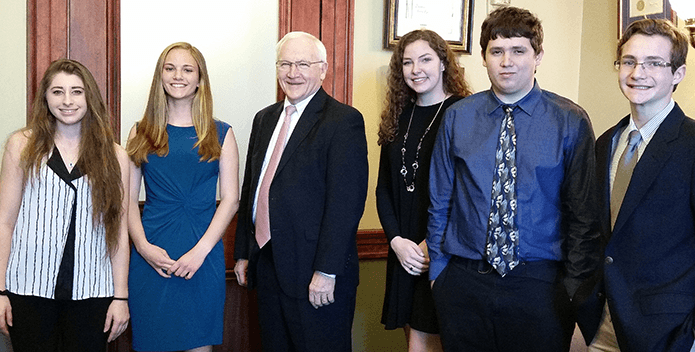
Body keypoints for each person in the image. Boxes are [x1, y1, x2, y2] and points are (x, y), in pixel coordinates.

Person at [426, 6, 600, 352]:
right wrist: (439, 273)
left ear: (538, 56)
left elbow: (584, 216)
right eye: (496, 51)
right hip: (463, 282)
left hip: (540, 286)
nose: (507, 61)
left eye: (518, 50)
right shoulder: (458, 117)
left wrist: (571, 288)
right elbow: (440, 199)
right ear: (483, 57)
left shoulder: (570, 121)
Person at [233, 31, 368, 352]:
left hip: (315, 275)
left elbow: (346, 204)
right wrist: (243, 252)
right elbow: (252, 186)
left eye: (303, 64)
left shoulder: (343, 121)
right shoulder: (264, 119)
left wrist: (326, 271)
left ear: (322, 69)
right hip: (266, 267)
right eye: (285, 64)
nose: (293, 73)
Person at [577, 19, 695, 352]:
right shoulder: (605, 143)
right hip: (601, 324)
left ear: (678, 73)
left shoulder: (691, 144)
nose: (637, 73)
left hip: (668, 333)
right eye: (629, 61)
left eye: (653, 63)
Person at [0, 59, 130, 351]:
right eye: (57, 92)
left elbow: (119, 231)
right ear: (45, 98)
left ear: (90, 97)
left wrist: (120, 297)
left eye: (77, 91)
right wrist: (0, 291)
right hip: (28, 288)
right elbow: (4, 222)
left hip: (93, 291)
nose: (67, 100)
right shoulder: (21, 145)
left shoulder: (116, 156)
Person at [126, 42, 239, 352]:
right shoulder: (140, 132)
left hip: (202, 258)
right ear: (160, 76)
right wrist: (144, 248)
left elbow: (231, 199)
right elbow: (127, 201)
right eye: (170, 68)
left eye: (187, 69)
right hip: (151, 257)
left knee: (198, 345)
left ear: (200, 79)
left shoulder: (222, 133)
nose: (178, 76)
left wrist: (200, 252)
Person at [376, 29, 472, 352]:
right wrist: (397, 242)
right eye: (407, 62)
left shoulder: (464, 113)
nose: (416, 69)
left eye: (426, 59)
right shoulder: (397, 116)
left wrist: (432, 244)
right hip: (404, 252)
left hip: (442, 253)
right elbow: (383, 189)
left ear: (444, 63)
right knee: (412, 342)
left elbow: (469, 193)